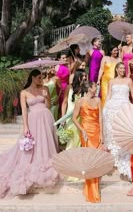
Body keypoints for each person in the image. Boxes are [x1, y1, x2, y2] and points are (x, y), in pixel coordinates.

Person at [0, 69, 60, 198]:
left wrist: (46, 96)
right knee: (34, 144)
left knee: (45, 142)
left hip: (45, 117)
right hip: (33, 120)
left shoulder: (45, 88)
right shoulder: (24, 92)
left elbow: (48, 106)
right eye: (39, 77)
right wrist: (25, 126)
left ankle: (45, 162)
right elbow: (24, 110)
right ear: (32, 77)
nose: (41, 80)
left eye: (42, 77)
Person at [103, 62, 133, 179]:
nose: (122, 70)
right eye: (120, 68)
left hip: (124, 108)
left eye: (124, 68)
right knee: (112, 133)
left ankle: (123, 156)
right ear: (116, 69)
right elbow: (108, 95)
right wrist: (105, 107)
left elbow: (132, 94)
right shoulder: (111, 81)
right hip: (112, 108)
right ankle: (113, 159)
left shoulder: (128, 80)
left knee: (123, 132)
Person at [72, 81, 103, 203]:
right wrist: (82, 130)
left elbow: (101, 117)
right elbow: (74, 118)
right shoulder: (80, 101)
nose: (97, 87)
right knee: (90, 160)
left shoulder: (98, 100)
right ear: (90, 88)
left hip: (96, 131)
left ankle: (92, 187)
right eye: (95, 86)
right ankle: (92, 190)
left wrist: (101, 134)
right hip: (85, 132)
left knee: (96, 159)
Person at [61, 70, 87, 150]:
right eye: (83, 76)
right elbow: (64, 103)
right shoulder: (69, 87)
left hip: (82, 117)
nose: (85, 78)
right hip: (70, 117)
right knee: (71, 138)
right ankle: (69, 156)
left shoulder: (86, 88)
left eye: (86, 76)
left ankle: (77, 157)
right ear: (78, 77)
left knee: (79, 138)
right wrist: (63, 118)